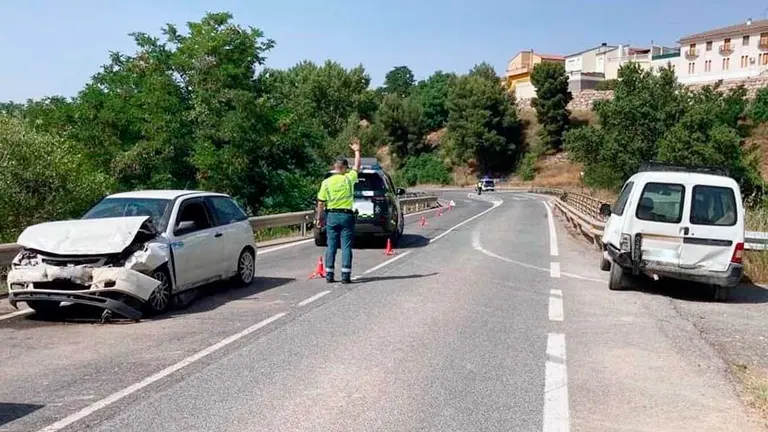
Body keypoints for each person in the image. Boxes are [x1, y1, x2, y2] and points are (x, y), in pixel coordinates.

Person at [316, 138, 362, 284]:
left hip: (332, 216)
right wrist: (357, 151)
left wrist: (319, 218)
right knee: (346, 246)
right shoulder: (349, 179)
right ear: (345, 168)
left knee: (331, 245)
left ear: (335, 167)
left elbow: (321, 202)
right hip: (346, 216)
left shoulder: (326, 182)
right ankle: (345, 276)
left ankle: (329, 274)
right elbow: (357, 166)